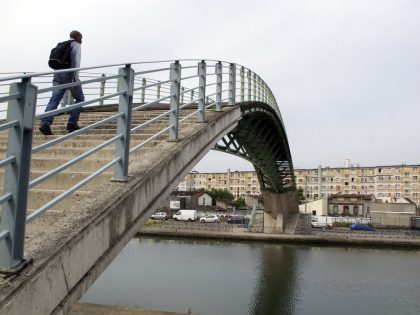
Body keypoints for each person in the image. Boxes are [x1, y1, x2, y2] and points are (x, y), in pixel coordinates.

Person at [39, 30, 85, 135]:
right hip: (68, 74)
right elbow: (75, 62)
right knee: (80, 99)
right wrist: (75, 79)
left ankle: (45, 123)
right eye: (81, 37)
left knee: (54, 99)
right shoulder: (76, 45)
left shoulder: (63, 44)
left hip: (57, 73)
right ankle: (72, 123)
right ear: (77, 36)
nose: (82, 40)